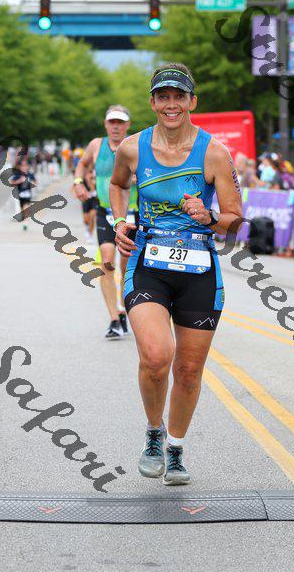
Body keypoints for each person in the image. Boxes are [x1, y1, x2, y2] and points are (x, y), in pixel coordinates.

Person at [109, 63, 242, 485]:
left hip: (198, 270)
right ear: (152, 102)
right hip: (148, 263)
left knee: (188, 370)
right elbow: (118, 185)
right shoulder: (132, 148)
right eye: (163, 97)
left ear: (192, 102)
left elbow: (235, 219)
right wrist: (119, 221)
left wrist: (211, 217)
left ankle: (176, 448)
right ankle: (154, 433)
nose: (171, 105)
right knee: (156, 356)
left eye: (179, 97)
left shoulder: (214, 153)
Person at [73, 105, 134, 339]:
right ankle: (114, 319)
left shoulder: (135, 145)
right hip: (104, 211)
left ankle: (124, 309)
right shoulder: (96, 145)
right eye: (112, 122)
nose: (116, 126)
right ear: (106, 124)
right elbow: (82, 164)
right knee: (107, 261)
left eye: (120, 122)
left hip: (131, 213)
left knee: (127, 266)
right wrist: (78, 182)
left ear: (128, 125)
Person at [11, 149, 36, 231]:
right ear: (20, 167)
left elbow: (35, 182)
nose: (25, 167)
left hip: (28, 194)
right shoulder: (18, 174)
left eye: (26, 166)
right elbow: (12, 182)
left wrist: (31, 182)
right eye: (23, 166)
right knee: (23, 209)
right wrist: (19, 181)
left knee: (26, 208)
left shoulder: (30, 174)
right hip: (20, 194)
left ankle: (25, 223)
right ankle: (24, 220)